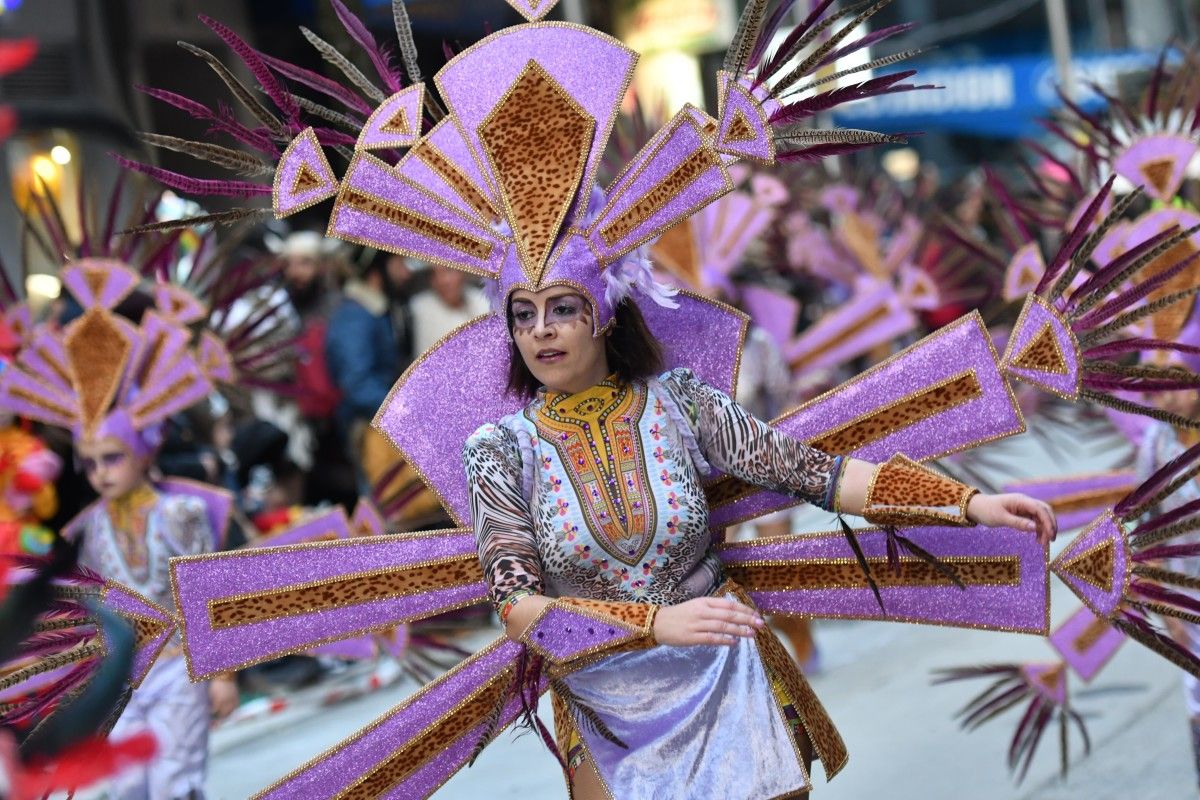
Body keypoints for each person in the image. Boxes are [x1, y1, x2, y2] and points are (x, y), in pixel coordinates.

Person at [408, 263, 490, 357]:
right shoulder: (420, 308)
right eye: (434, 274)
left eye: (448, 270)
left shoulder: (483, 302)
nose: (442, 280)